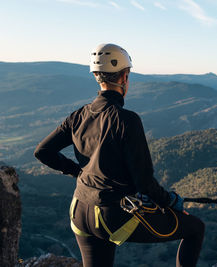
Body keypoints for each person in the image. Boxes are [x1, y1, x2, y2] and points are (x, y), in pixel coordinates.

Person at [34, 43, 205, 267]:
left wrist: (77, 171)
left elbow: (42, 152)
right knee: (195, 229)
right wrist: (170, 200)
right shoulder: (127, 120)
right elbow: (144, 182)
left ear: (96, 76)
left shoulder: (78, 115)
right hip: (111, 215)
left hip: (79, 211)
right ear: (124, 77)